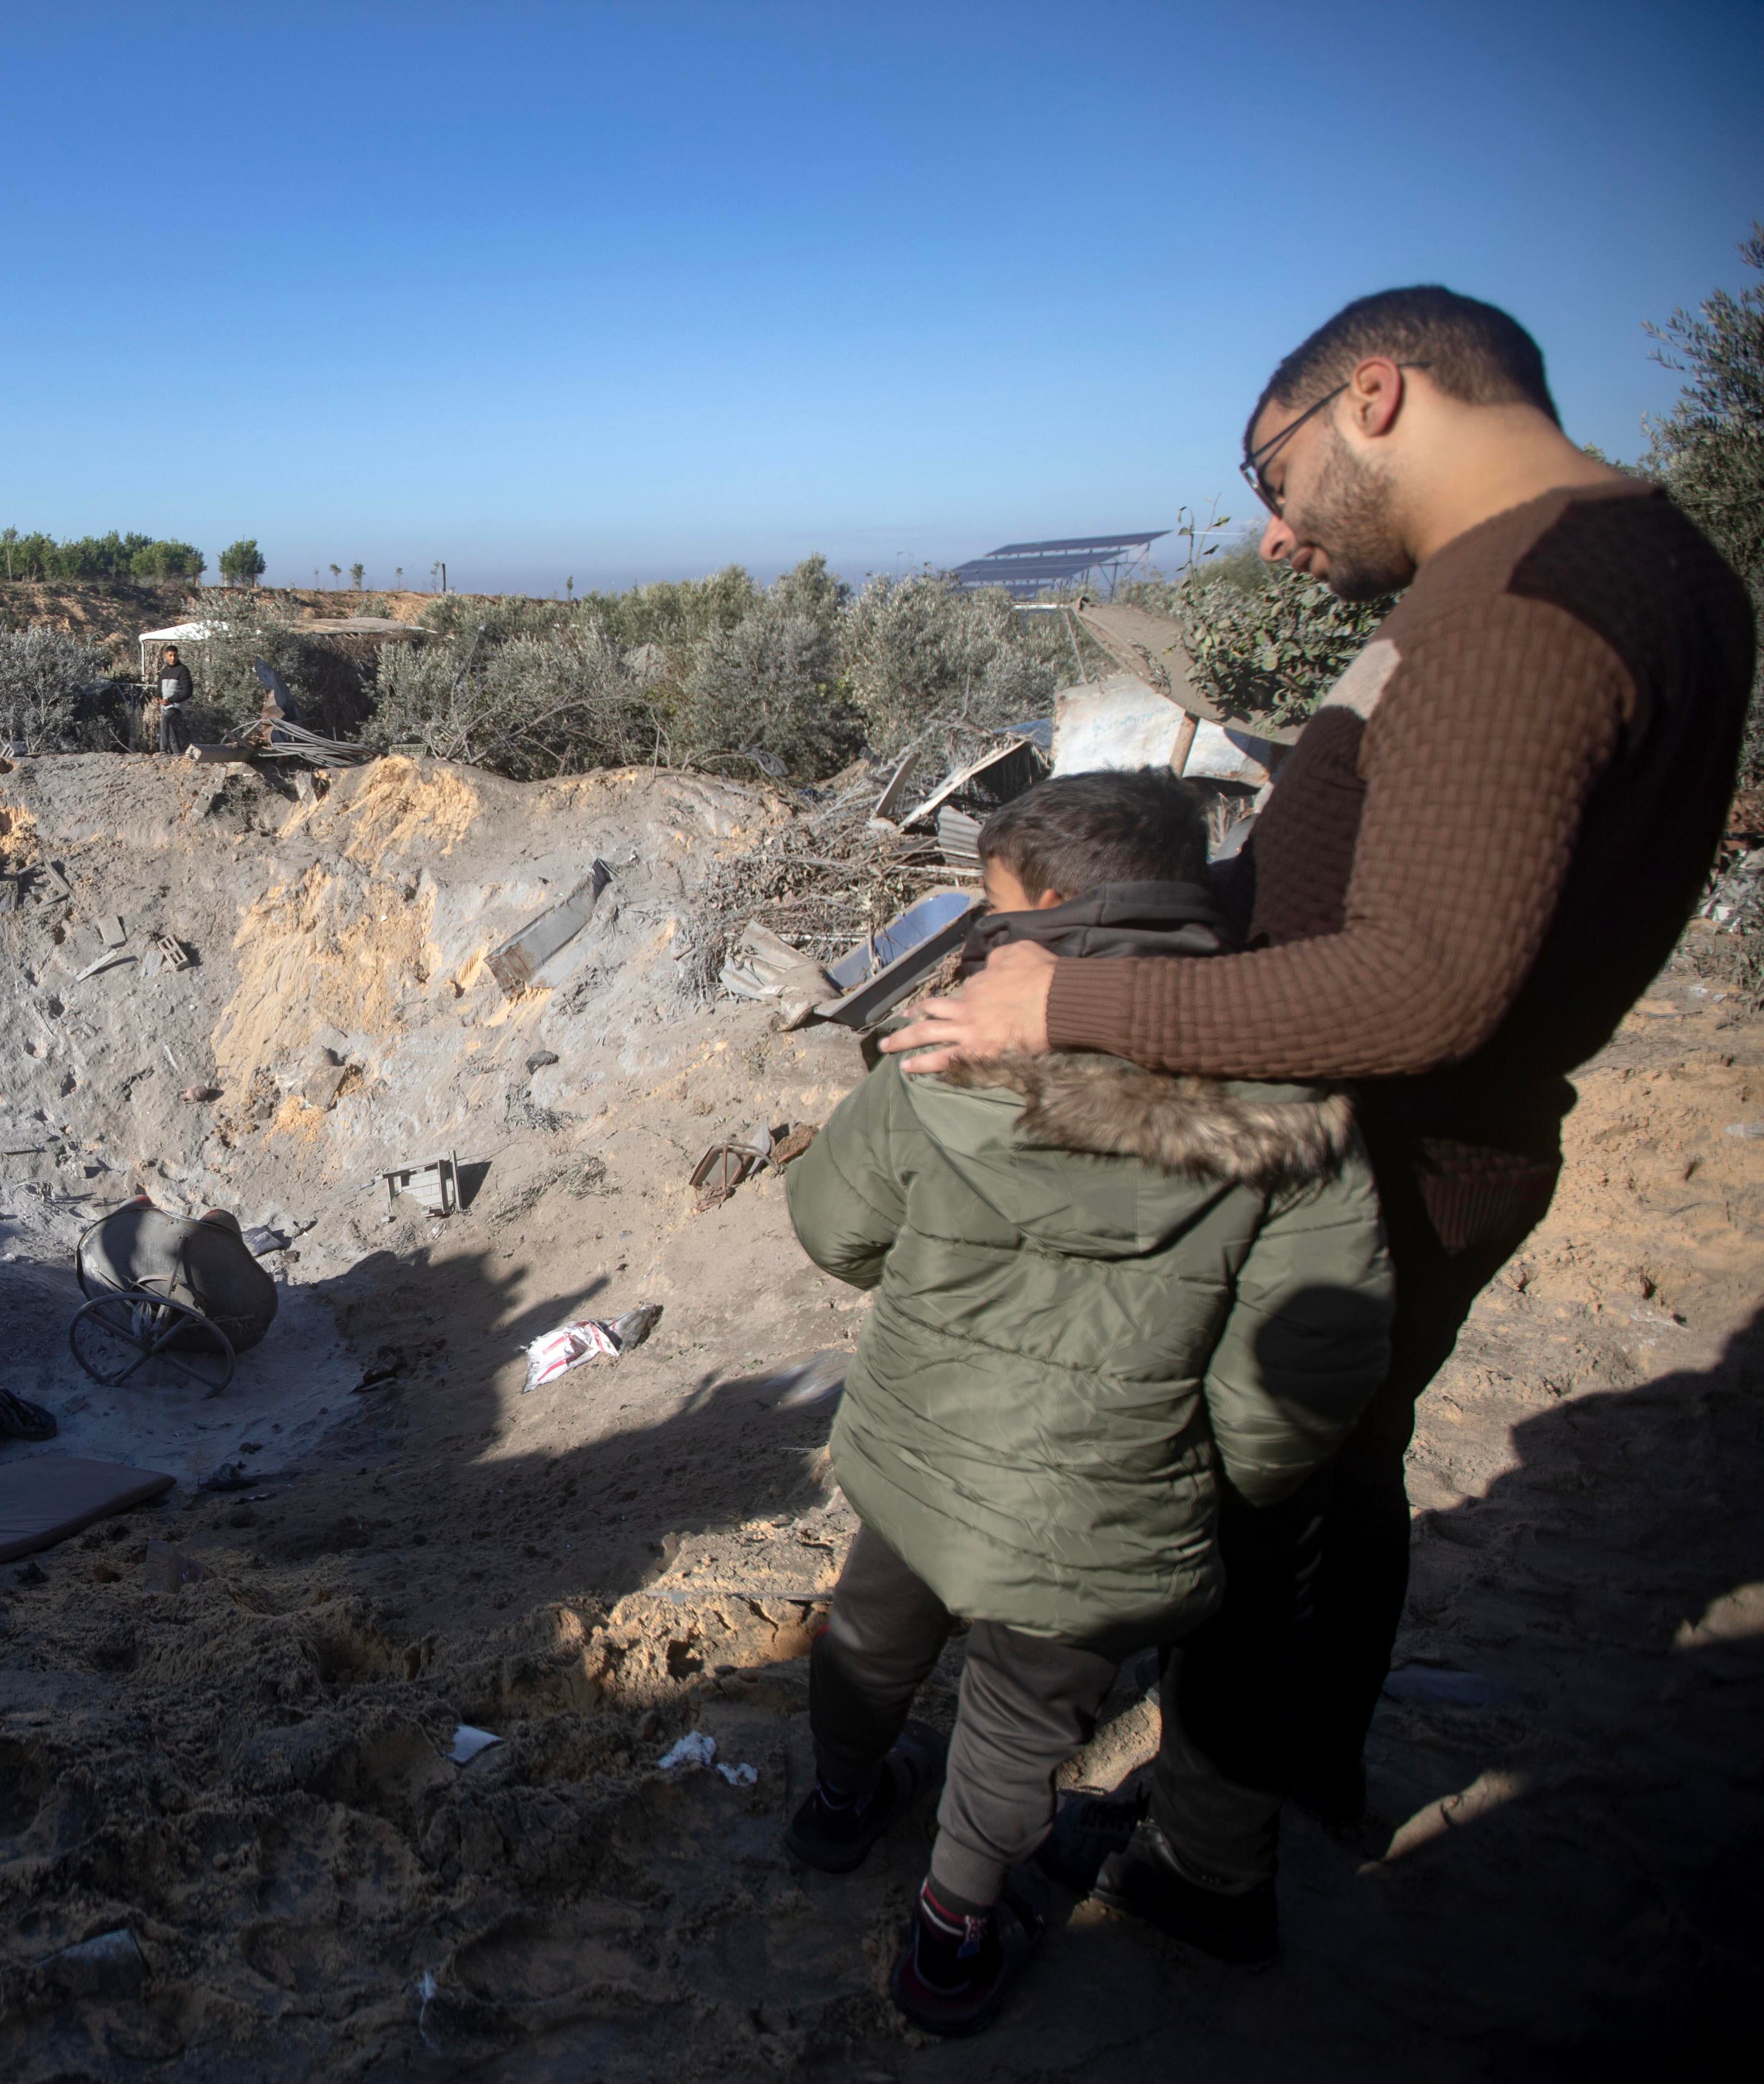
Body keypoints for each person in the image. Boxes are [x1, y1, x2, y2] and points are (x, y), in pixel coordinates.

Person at [884, 286, 1755, 1960]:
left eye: (1271, 481)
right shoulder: (1624, 565)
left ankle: (1206, 1866)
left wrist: (1064, 1005)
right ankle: (1301, 1771)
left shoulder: (1529, 605)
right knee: (1336, 1482)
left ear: (1377, 397)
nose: (1274, 537)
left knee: (1241, 1510)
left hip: (1382, 1155)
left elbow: (1425, 984)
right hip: (1438, 1143)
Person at [784, 768, 1393, 2036]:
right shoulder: (1288, 1102)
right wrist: (1224, 1470)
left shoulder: (942, 1057)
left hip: (916, 1461)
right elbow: (1313, 1353)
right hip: (1105, 1511)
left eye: (1002, 915)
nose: (989, 942)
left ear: (1050, 905)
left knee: (870, 1638)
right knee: (1016, 1724)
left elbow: (832, 1226)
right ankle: (949, 1939)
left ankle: (840, 1802)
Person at [148, 643, 196, 752]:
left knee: (165, 720)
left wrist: (171, 700)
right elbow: (160, 688)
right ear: (166, 656)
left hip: (177, 706)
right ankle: (177, 754)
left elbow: (188, 691)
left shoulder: (183, 670)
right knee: (171, 730)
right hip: (165, 706)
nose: (173, 658)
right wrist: (158, 697)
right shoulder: (165, 671)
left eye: (175, 655)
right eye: (170, 655)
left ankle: (162, 750)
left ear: (178, 656)